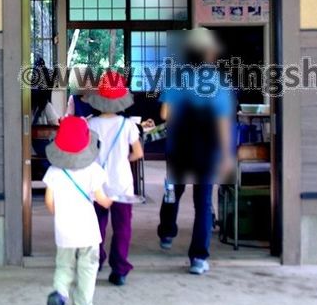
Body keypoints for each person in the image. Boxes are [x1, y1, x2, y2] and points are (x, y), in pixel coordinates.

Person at [156, 27, 235, 275]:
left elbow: (165, 115)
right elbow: (223, 122)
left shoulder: (177, 78)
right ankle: (198, 258)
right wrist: (225, 154)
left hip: (178, 147)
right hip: (207, 151)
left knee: (173, 192)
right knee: (203, 203)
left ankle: (167, 233)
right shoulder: (219, 84)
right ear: (210, 53)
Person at [43, 116, 114, 305]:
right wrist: (111, 201)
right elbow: (102, 199)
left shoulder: (54, 172)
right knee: (87, 269)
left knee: (64, 266)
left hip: (64, 230)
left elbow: (49, 201)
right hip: (88, 231)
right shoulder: (93, 170)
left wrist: (60, 213)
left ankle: (59, 294)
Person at [83, 71, 144, 287]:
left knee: (96, 224)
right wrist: (124, 158)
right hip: (122, 183)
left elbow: (85, 154)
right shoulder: (127, 126)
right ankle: (119, 270)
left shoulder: (90, 125)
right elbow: (138, 153)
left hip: (97, 184)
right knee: (122, 227)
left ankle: (96, 260)